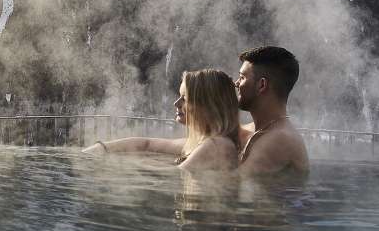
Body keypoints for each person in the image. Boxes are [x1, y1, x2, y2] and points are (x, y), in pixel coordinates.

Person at [82, 69, 239, 171]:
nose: (176, 103)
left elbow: (174, 176)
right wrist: (101, 148)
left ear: (208, 105)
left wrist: (112, 164)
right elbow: (147, 144)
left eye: (184, 98)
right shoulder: (204, 142)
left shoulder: (218, 145)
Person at [234, 45, 309, 175]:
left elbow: (231, 183)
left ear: (262, 85)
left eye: (242, 77)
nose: (236, 83)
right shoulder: (253, 130)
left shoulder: (282, 139)